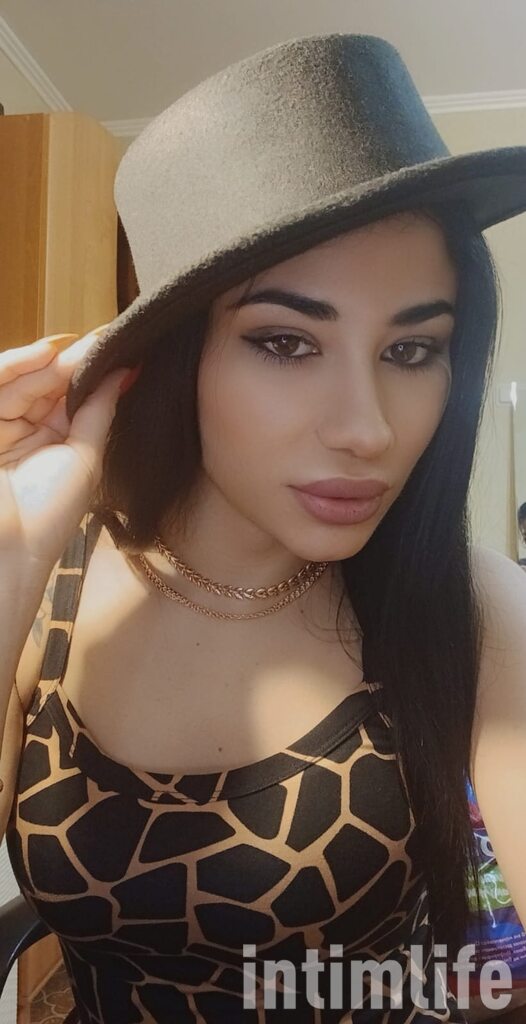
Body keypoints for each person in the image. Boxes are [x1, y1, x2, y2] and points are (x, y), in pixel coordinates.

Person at [1, 31, 526, 1024]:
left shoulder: (474, 605)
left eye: (412, 350)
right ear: (177, 358)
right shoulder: (51, 589)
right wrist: (12, 560)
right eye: (286, 342)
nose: (367, 429)